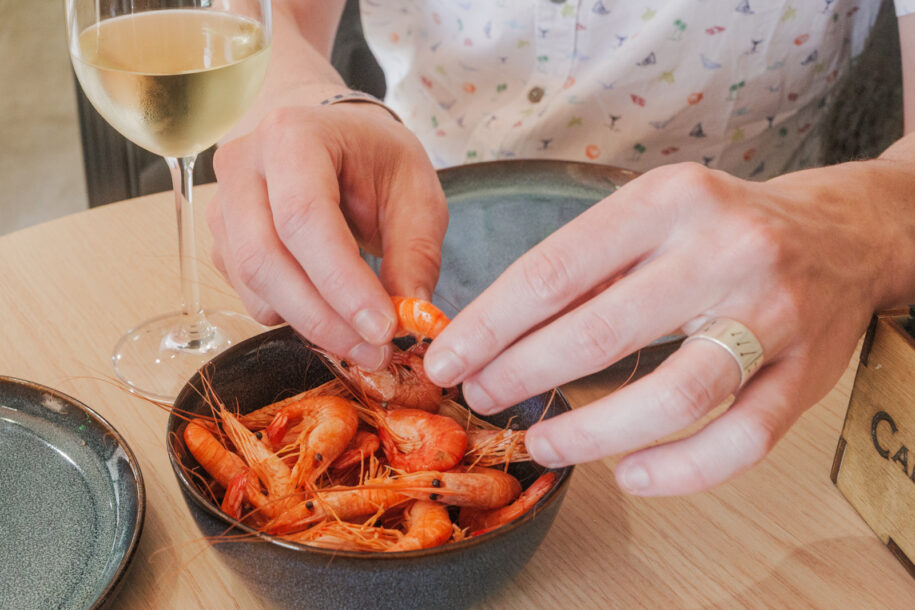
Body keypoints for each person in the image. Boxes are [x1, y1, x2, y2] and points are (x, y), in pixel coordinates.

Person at [207, 0, 915, 497]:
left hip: (759, 326)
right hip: (388, 256)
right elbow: (268, 14)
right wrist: (305, 100)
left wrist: (862, 223)